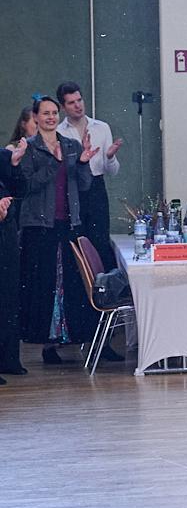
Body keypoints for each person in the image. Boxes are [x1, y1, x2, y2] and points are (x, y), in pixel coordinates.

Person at [17, 96, 99, 364]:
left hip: (68, 223)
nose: (51, 117)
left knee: (70, 282)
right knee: (46, 284)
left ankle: (70, 337)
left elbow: (84, 185)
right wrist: (53, 162)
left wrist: (84, 163)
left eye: (54, 113)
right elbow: (27, 186)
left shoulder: (71, 145)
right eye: (45, 113)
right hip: (40, 226)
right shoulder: (29, 148)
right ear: (36, 117)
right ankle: (48, 342)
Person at [55, 81, 123, 271]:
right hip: (71, 190)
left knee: (100, 239)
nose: (78, 105)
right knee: (75, 242)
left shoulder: (101, 127)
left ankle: (104, 284)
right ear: (63, 107)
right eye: (71, 103)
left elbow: (113, 171)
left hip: (96, 188)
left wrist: (110, 157)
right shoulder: (59, 132)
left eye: (79, 100)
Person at [0, 139, 28, 381]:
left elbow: (20, 191)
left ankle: (8, 359)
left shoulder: (2, 156)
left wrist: (16, 163)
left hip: (6, 235)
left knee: (8, 297)